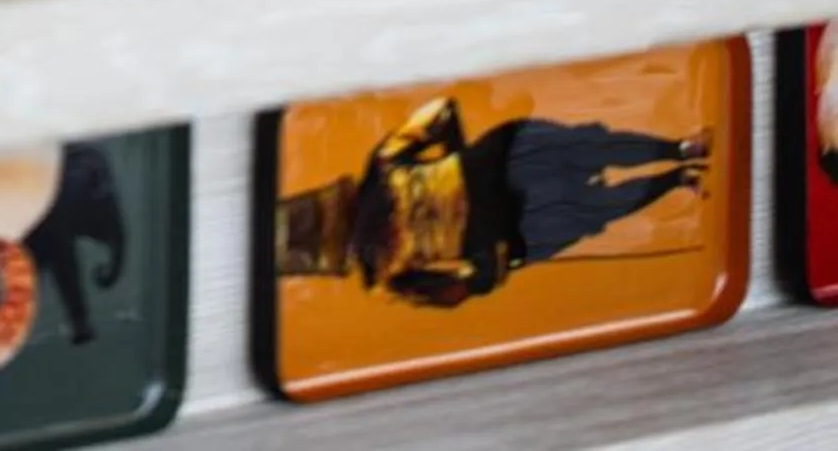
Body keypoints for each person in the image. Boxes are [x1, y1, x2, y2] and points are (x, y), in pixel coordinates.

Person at [278, 93, 714, 306]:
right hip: (503, 228)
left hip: (499, 167)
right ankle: (677, 175)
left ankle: (678, 152)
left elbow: (440, 111)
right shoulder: (386, 277)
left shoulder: (384, 164)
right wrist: (480, 275)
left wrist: (461, 159)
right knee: (594, 206)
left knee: (589, 153)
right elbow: (452, 293)